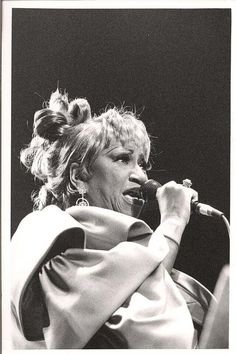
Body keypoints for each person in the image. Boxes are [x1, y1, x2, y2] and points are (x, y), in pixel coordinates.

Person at [11, 88, 199, 349]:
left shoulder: (127, 255)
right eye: (123, 159)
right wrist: (173, 221)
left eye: (142, 164)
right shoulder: (46, 234)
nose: (142, 176)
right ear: (78, 177)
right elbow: (131, 329)